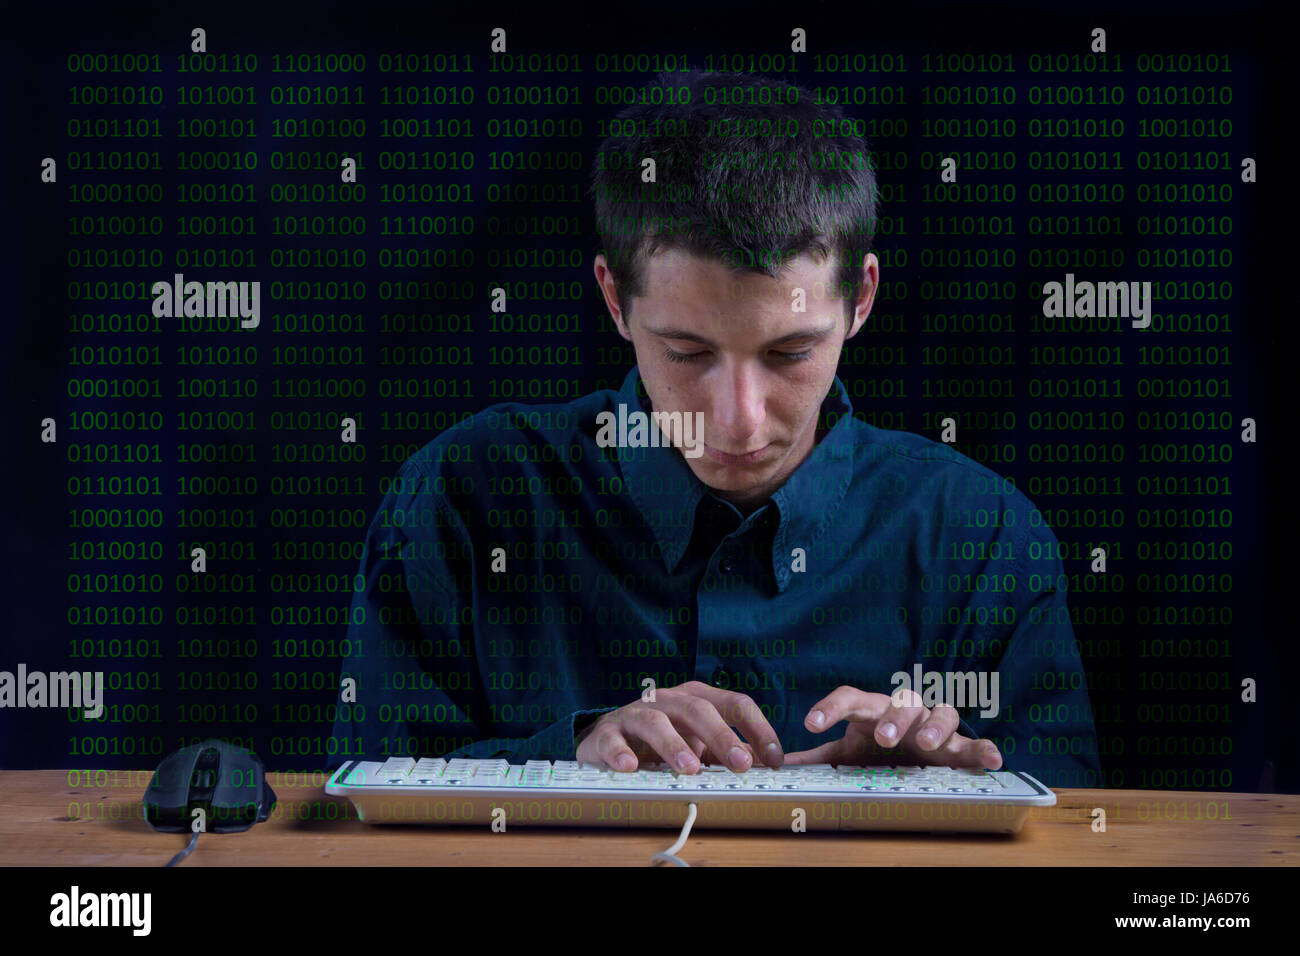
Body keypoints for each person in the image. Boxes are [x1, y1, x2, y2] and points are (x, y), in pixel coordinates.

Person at [328, 70, 1100, 788]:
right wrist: (571, 757)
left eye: (790, 352)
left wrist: (940, 793)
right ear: (614, 299)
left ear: (861, 300)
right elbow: (364, 806)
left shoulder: (986, 538)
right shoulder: (464, 500)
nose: (737, 419)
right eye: (688, 352)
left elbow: (1078, 832)